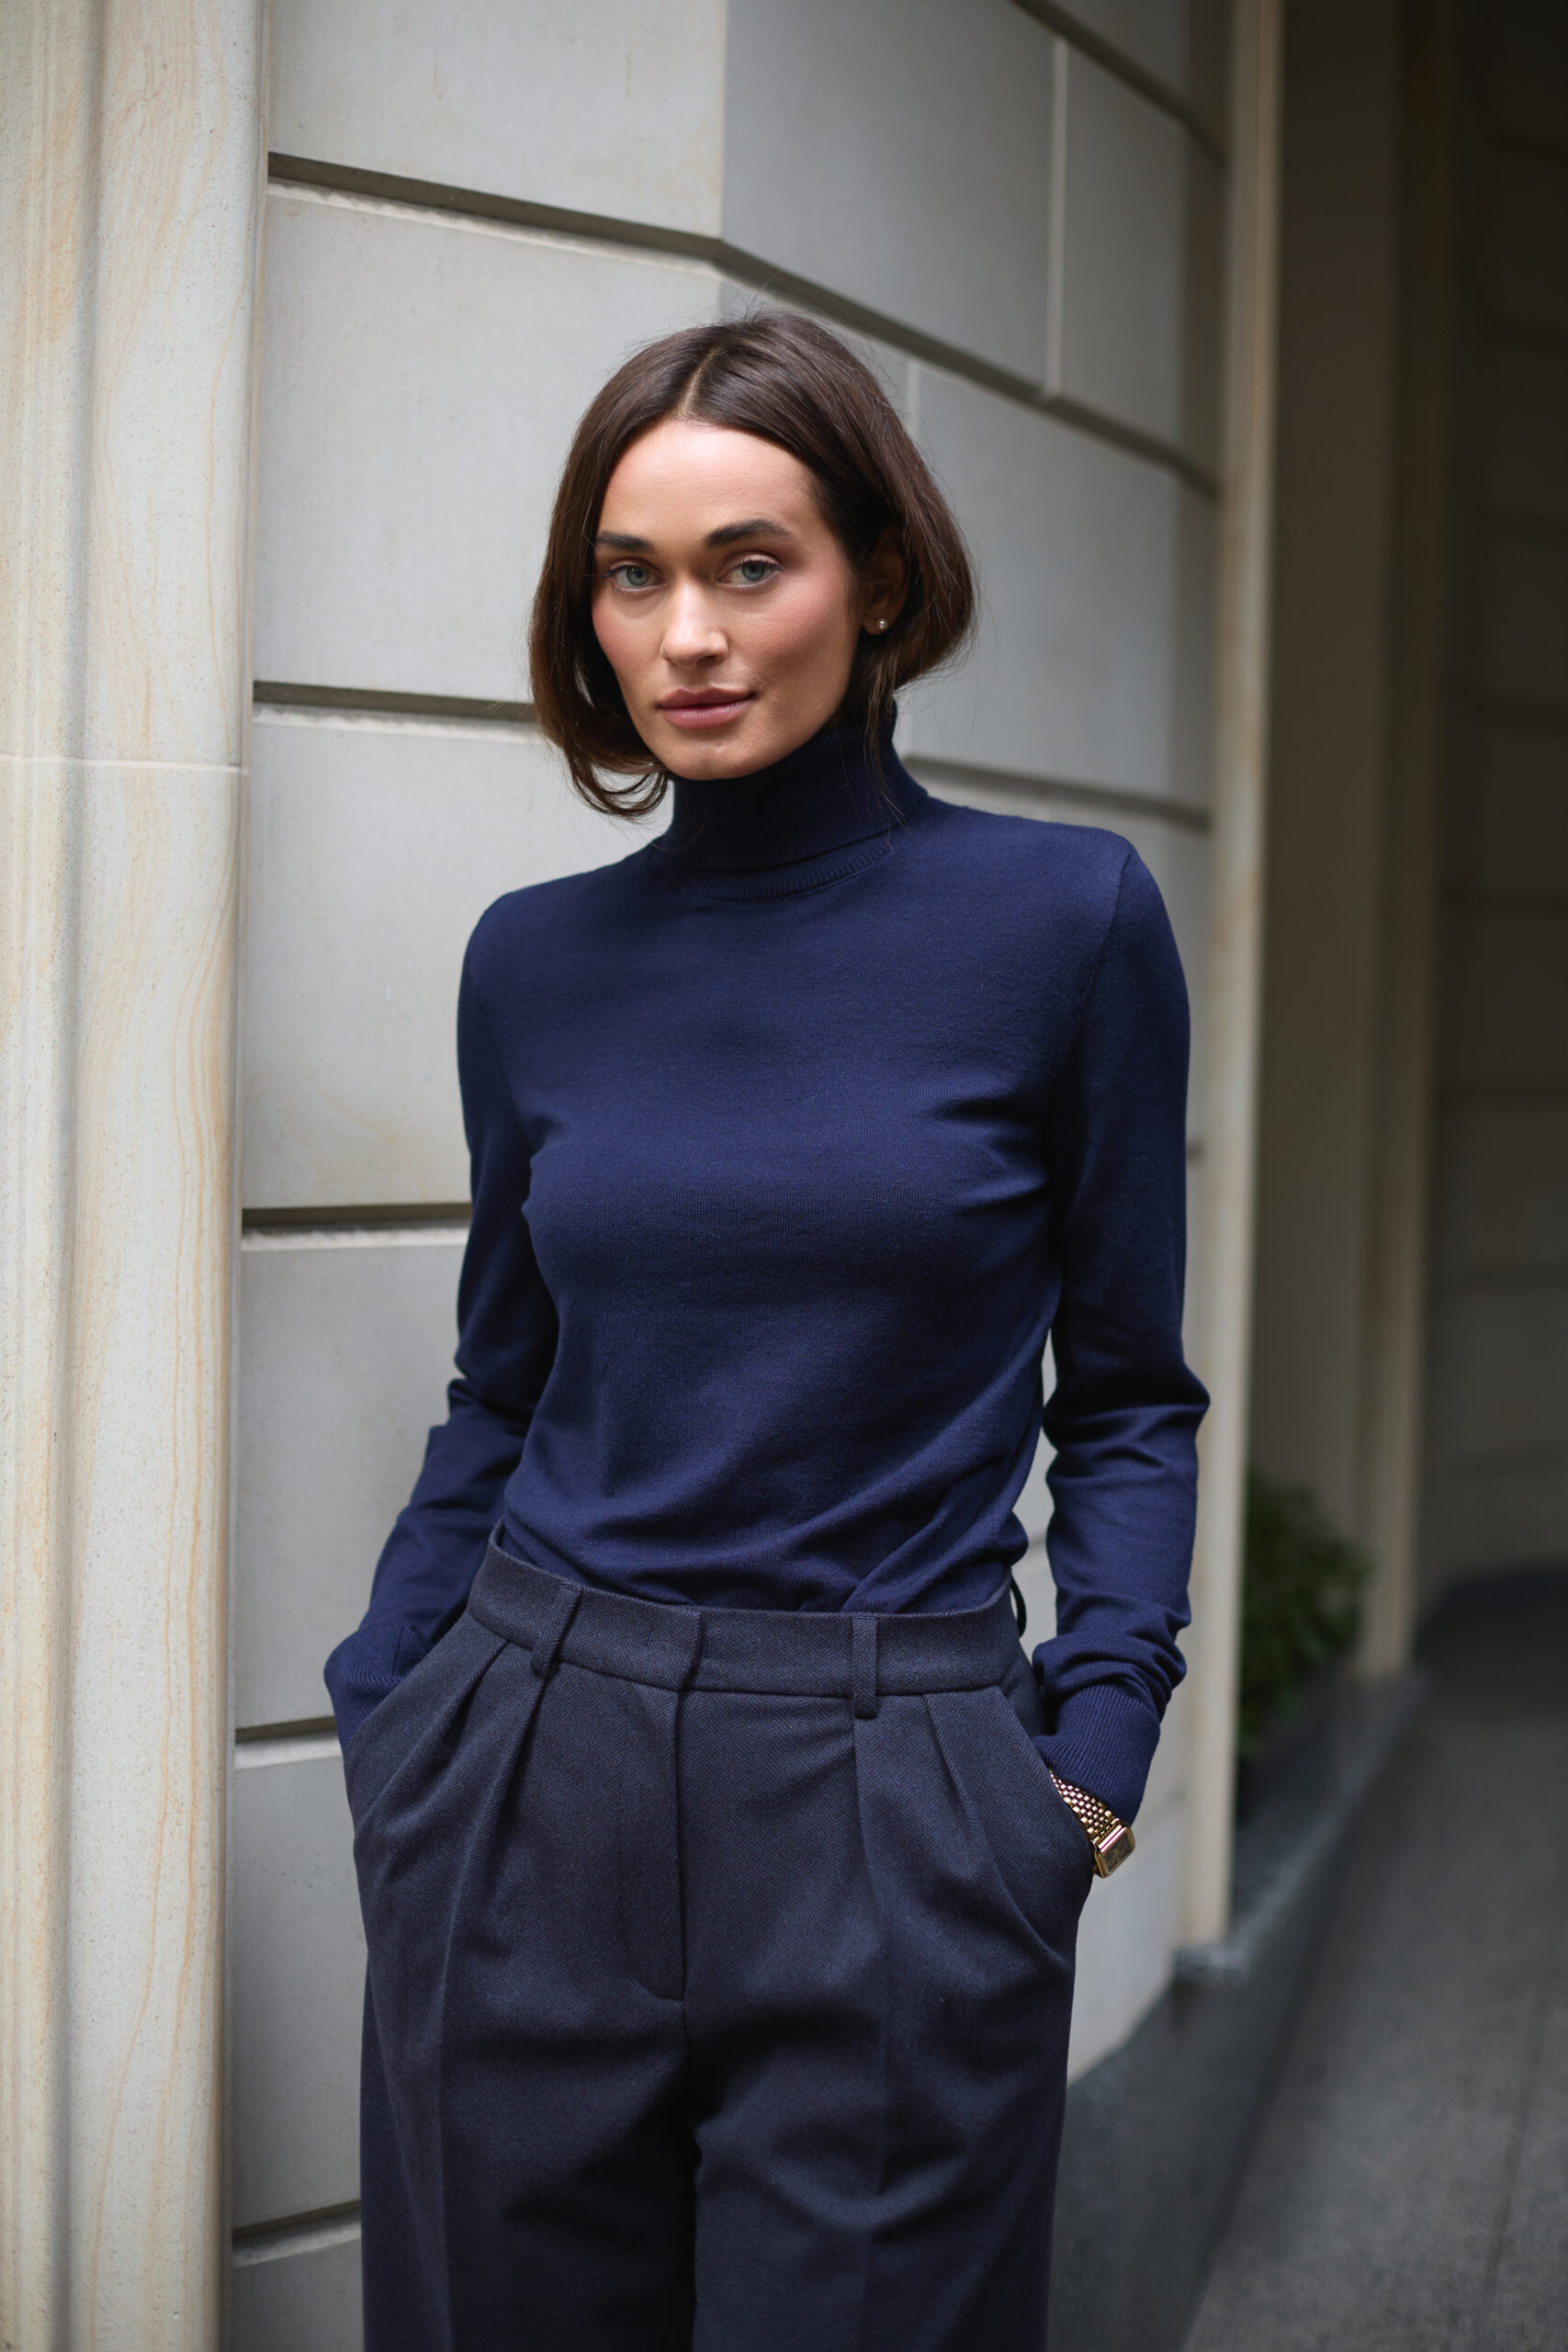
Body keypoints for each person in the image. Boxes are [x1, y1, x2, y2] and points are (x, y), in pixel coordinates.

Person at [325, 309, 1207, 2352]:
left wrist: (1089, 1753)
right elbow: (503, 1381)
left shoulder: (1064, 923)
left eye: (750, 564)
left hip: (894, 1787)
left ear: (877, 578)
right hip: (526, 1769)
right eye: (632, 575)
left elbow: (1127, 1393)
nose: (688, 635)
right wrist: (400, 1708)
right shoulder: (533, 963)